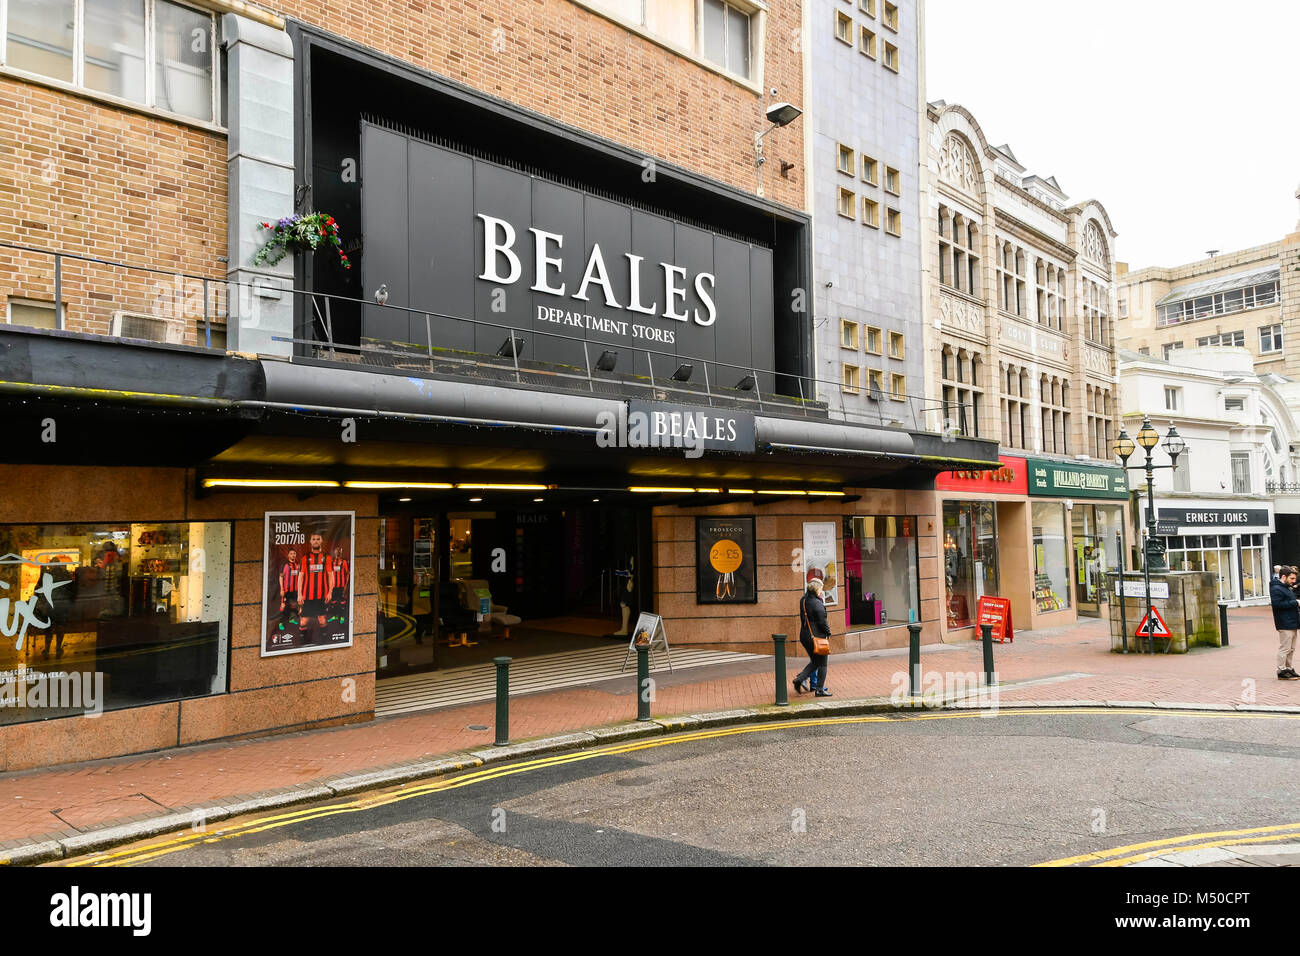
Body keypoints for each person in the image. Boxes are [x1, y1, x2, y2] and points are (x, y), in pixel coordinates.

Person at [794, 578, 833, 697]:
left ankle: (800, 679)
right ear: (817, 588)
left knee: (815, 662)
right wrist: (828, 633)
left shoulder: (804, 600)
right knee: (822, 664)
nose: (822, 590)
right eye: (821, 588)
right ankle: (819, 690)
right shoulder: (817, 603)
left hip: (805, 636)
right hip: (816, 637)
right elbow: (823, 621)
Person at [1270, 565, 1300, 680]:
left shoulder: (1285, 587)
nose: (1294, 581)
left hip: (1292, 621)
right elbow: (1278, 605)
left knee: (1291, 648)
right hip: (1284, 622)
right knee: (1285, 648)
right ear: (1284, 576)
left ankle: (1288, 668)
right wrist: (1296, 603)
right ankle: (1281, 670)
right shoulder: (1276, 588)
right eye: (1292, 578)